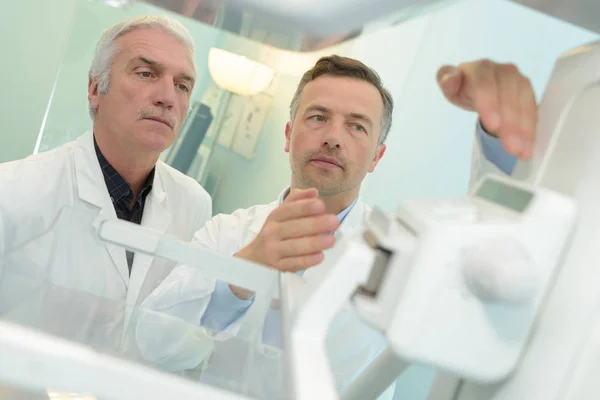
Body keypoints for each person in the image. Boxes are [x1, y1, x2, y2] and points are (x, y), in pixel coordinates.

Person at [144, 56, 538, 397]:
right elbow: (153, 343)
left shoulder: (401, 251)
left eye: (356, 127)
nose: (333, 138)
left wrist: (497, 138)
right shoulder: (226, 233)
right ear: (288, 134)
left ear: (376, 157)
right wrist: (244, 269)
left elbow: (497, 269)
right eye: (318, 118)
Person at [0, 15, 213, 309]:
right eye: (146, 73)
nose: (167, 98)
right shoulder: (13, 191)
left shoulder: (194, 205)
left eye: (182, 85)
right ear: (95, 88)